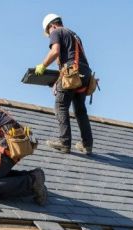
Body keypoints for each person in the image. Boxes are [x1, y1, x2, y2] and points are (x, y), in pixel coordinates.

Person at [34, 13, 94, 155]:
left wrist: (42, 65)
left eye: (48, 32)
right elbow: (72, 58)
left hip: (72, 73)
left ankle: (64, 142)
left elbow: (55, 52)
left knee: (60, 105)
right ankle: (87, 145)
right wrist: (58, 81)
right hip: (84, 76)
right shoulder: (74, 35)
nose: (50, 35)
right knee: (80, 111)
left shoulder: (57, 31)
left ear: (52, 26)